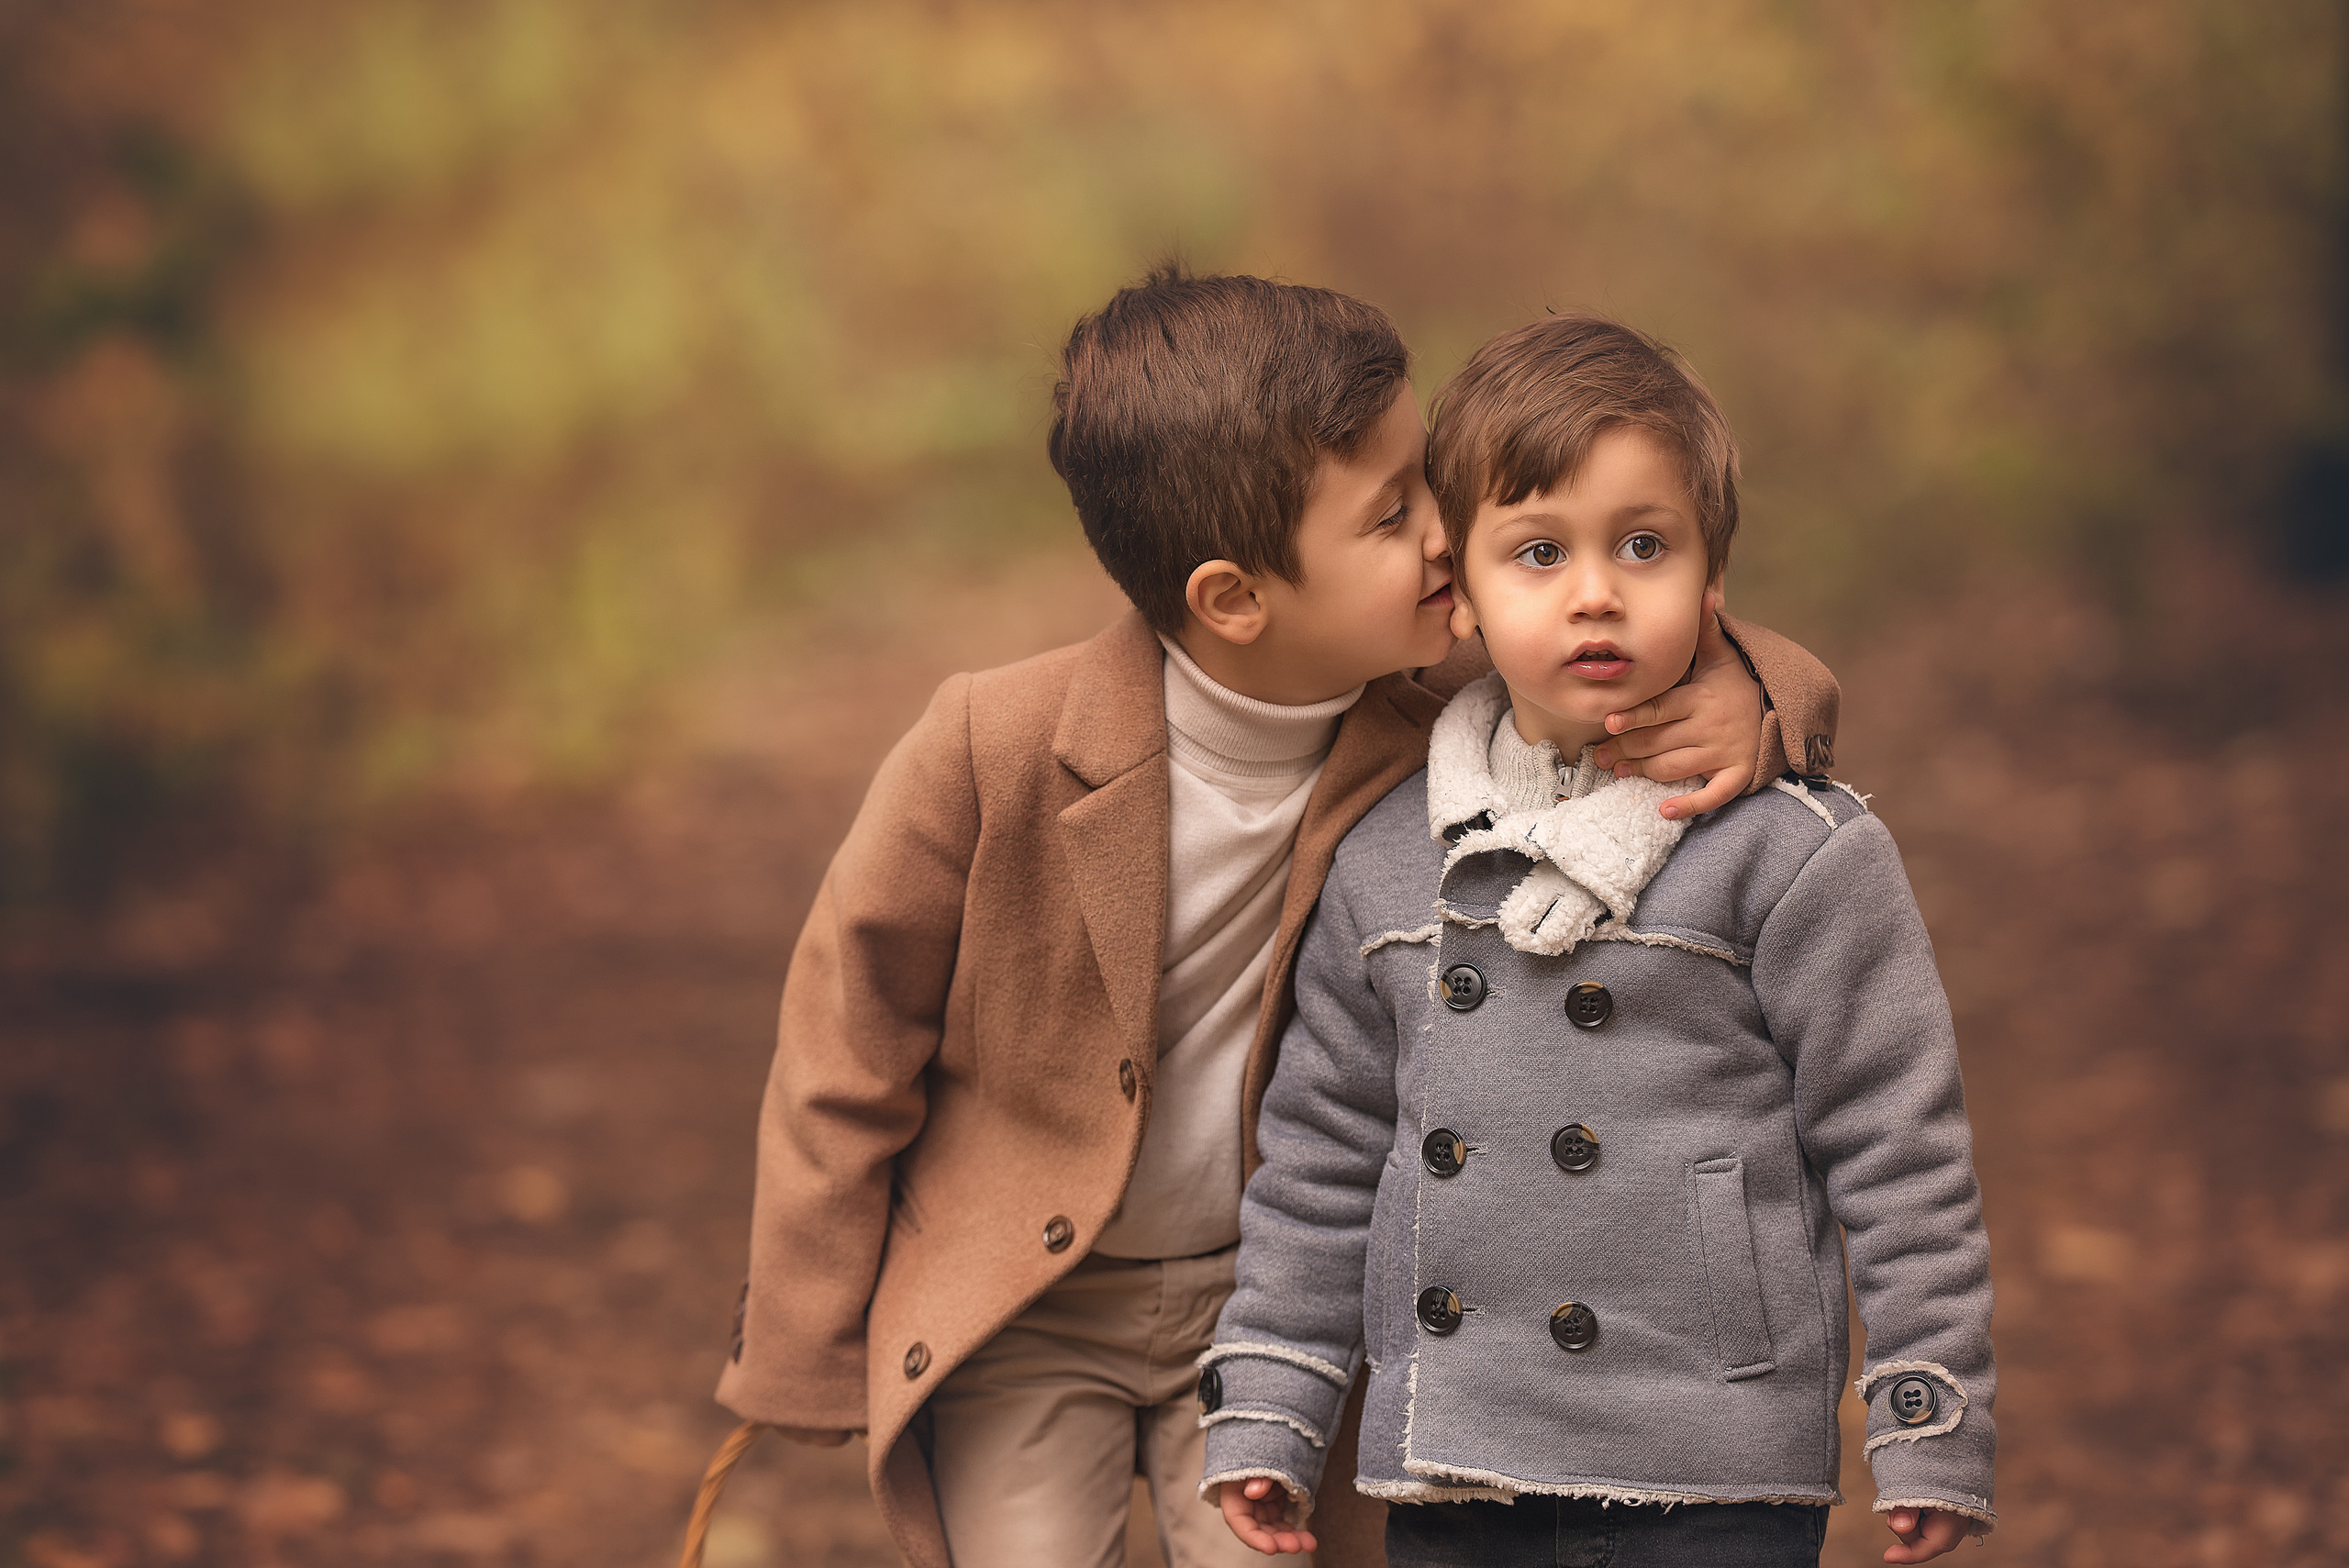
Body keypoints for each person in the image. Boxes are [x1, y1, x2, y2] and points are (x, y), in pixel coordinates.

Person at [713, 271, 1844, 1568]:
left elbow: (1713, 644)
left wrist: (1753, 700)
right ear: (1234, 598)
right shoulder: (995, 745)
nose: (1446, 532)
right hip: (1029, 1306)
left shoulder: (1440, 712)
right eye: (1390, 514)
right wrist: (802, 1338)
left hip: (1272, 1290)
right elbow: (848, 1040)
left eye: (1428, 485)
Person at [1201, 313, 1995, 1568]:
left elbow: (1901, 1150)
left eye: (1643, 544)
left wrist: (1927, 1417)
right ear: (1456, 589)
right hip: (1461, 1454)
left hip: (1716, 1449)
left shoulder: (1797, 853)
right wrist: (1271, 1403)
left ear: (1712, 581)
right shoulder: (1389, 858)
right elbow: (1322, 1159)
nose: (1595, 591)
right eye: (1535, 550)